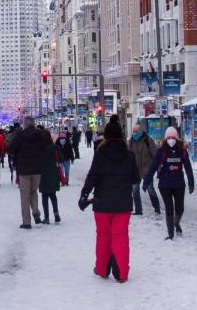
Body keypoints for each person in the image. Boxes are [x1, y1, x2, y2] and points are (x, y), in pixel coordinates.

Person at [78, 117, 137, 282]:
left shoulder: (100, 154)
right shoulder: (129, 155)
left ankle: (103, 269)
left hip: (102, 203)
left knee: (103, 236)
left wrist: (84, 194)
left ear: (106, 136)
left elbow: (92, 176)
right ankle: (122, 273)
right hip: (123, 203)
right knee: (121, 237)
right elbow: (135, 178)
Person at [142, 127, 194, 240]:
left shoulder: (182, 150)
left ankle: (176, 223)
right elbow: (153, 166)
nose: (171, 139)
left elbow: (188, 168)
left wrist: (191, 182)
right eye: (169, 137)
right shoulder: (161, 151)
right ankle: (170, 233)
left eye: (173, 137)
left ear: (176, 138)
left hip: (179, 183)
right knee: (169, 208)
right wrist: (146, 182)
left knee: (180, 208)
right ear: (166, 139)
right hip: (165, 184)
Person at [7, 117, 46, 229]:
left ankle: (27, 222)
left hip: (24, 170)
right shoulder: (40, 135)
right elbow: (44, 148)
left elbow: (11, 150)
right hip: (37, 169)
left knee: (25, 196)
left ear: (24, 125)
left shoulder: (20, 136)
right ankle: (35, 211)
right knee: (33, 192)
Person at [127, 123, 160, 216]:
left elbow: (155, 155)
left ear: (141, 131)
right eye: (133, 131)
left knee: (150, 189)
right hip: (135, 170)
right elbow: (128, 155)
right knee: (135, 189)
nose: (134, 133)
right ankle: (138, 210)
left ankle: (156, 207)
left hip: (147, 169)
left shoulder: (148, 140)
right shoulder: (131, 141)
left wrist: (158, 169)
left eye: (136, 131)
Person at [39, 129, 63, 224]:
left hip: (43, 173)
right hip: (53, 172)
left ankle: (46, 217)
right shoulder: (54, 147)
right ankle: (56, 213)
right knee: (53, 195)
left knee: (44, 196)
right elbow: (61, 159)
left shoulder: (39, 148)